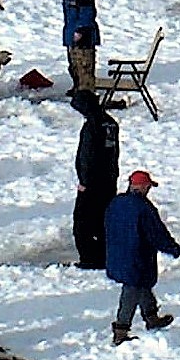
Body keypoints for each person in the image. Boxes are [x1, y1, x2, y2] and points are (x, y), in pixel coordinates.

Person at [103, 170, 180, 344]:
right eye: (148, 187)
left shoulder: (116, 202)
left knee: (142, 285)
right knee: (131, 290)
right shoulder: (143, 208)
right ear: (143, 187)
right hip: (136, 256)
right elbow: (156, 233)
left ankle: (151, 317)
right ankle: (121, 330)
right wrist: (172, 248)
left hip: (117, 254)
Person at [71, 89, 121, 270]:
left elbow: (88, 156)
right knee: (102, 221)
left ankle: (90, 257)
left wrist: (84, 181)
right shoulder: (110, 123)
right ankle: (104, 254)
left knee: (83, 222)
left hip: (92, 183)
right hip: (109, 180)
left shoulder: (92, 125)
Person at [57, 0, 98, 94]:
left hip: (84, 36)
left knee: (84, 65)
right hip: (71, 34)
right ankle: (78, 88)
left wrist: (80, 30)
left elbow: (88, 13)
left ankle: (86, 92)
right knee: (73, 65)